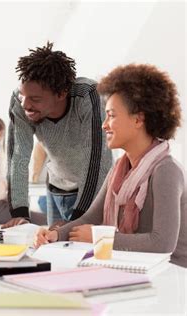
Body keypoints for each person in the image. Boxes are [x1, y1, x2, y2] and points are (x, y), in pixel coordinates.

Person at [35, 64, 186, 268]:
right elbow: (91, 217)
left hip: (172, 276)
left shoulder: (166, 170)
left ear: (138, 119)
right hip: (139, 269)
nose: (104, 124)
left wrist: (101, 239)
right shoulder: (119, 169)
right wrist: (55, 234)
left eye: (112, 115)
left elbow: (162, 243)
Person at [4, 42, 113, 228]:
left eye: (35, 99)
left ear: (61, 93)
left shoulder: (88, 96)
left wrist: (80, 218)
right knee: (54, 250)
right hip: (55, 189)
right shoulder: (20, 100)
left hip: (94, 193)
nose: (25, 105)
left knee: (81, 249)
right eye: (23, 97)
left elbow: (96, 160)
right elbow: (18, 156)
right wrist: (20, 214)